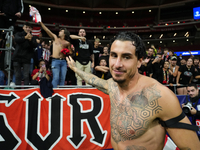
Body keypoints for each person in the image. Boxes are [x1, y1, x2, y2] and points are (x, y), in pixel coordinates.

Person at [66, 31, 200, 150]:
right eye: (114, 55)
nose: (117, 64)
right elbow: (93, 80)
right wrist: (76, 69)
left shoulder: (159, 95)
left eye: (126, 57)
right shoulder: (112, 85)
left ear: (139, 61)